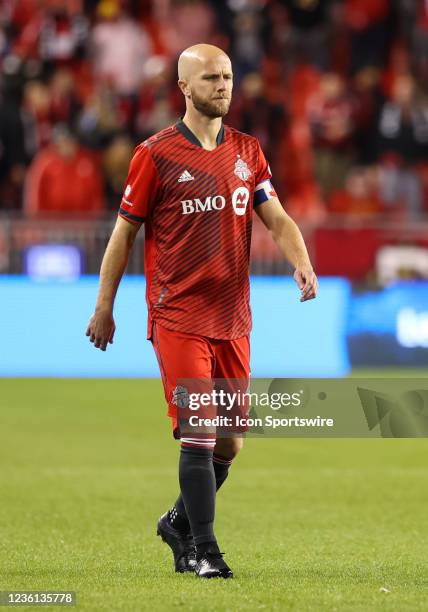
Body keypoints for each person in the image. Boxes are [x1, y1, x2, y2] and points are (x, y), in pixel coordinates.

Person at [86, 44, 318, 579]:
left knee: (231, 444)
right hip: (178, 315)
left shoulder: (248, 150)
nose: (224, 85)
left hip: (232, 317)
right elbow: (124, 234)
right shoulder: (155, 154)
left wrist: (301, 263)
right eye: (211, 77)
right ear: (184, 88)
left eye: (229, 76)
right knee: (200, 430)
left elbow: (277, 218)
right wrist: (105, 306)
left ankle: (177, 522)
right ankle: (206, 552)